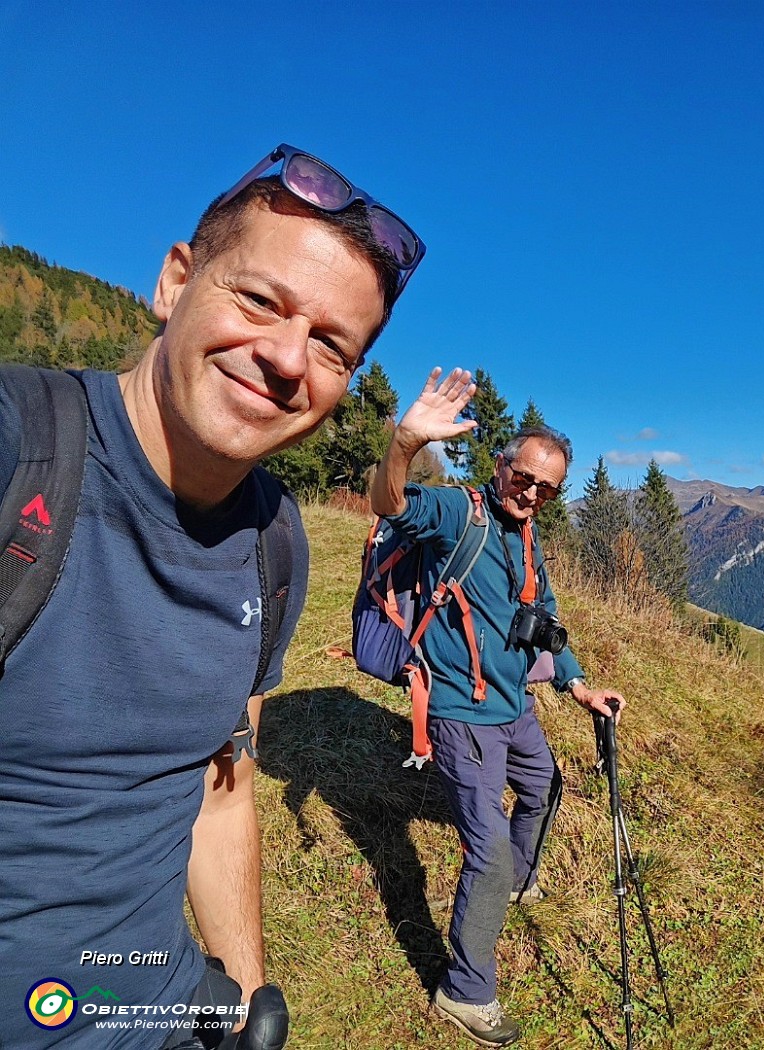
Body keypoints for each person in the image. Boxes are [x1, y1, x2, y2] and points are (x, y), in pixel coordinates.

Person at [0, 144, 424, 1049]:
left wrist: (244, 1004)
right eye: (261, 300)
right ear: (174, 281)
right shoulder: (18, 454)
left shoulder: (275, 541)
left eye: (330, 345)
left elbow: (223, 786)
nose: (283, 357)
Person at [370, 373, 625, 1047]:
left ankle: (519, 881)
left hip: (514, 707)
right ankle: (465, 992)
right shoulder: (461, 513)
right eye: (525, 478)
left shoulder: (529, 536)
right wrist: (405, 442)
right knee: (486, 855)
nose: (532, 493)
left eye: (548, 488)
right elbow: (389, 503)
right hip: (461, 713)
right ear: (501, 465)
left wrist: (577, 686)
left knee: (544, 786)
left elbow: (543, 621)